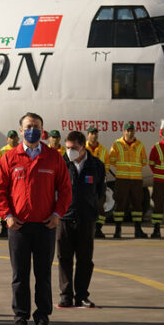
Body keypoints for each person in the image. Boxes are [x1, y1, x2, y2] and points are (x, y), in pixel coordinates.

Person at [0, 112, 71, 325]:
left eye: (36, 126)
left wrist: (58, 213)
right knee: (20, 276)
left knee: (43, 276)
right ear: (20, 130)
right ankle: (20, 317)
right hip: (19, 227)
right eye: (28, 126)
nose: (32, 130)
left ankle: (42, 318)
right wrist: (7, 215)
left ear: (42, 131)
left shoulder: (53, 157)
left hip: (46, 226)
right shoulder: (10, 158)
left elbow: (65, 189)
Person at [57, 131, 106, 308]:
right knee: (64, 258)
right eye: (67, 147)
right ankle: (66, 295)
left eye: (74, 148)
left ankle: (82, 295)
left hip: (86, 218)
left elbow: (100, 191)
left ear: (83, 147)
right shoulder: (60, 163)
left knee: (85, 259)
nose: (69, 151)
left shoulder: (96, 165)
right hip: (64, 218)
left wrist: (90, 206)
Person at [108, 122, 148, 238]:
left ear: (134, 131)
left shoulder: (140, 145)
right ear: (124, 131)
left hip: (136, 180)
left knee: (137, 205)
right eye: (128, 130)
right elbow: (112, 159)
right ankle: (117, 230)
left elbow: (144, 161)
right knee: (120, 205)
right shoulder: (117, 144)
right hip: (122, 179)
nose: (130, 132)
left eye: (131, 130)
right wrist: (123, 168)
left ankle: (138, 230)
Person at [0, 129, 20, 238]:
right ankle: (3, 228)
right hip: (7, 181)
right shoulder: (3, 151)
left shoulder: (22, 149)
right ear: (7, 139)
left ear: (18, 138)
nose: (13, 139)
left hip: (17, 182)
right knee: (4, 203)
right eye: (11, 137)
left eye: (14, 137)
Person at [85, 126, 109, 238]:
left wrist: (99, 175)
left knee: (100, 206)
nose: (94, 135)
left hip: (99, 182)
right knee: (86, 206)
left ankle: (98, 229)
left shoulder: (103, 150)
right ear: (87, 135)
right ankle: (87, 229)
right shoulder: (82, 148)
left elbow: (107, 165)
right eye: (92, 133)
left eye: (96, 133)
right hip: (86, 182)